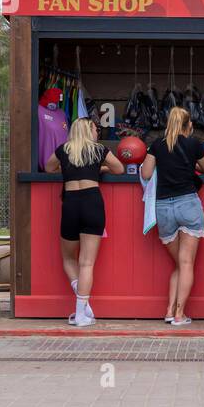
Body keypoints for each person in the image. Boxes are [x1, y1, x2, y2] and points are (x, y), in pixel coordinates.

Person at [42, 117, 123, 327]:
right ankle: (81, 312)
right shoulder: (99, 150)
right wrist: (100, 169)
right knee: (87, 263)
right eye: (96, 129)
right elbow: (120, 169)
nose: (98, 132)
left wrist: (68, 170)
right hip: (92, 203)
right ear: (89, 131)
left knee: (68, 258)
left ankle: (82, 305)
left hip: (70, 204)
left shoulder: (64, 149)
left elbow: (49, 167)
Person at [141, 106, 204, 327]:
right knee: (186, 263)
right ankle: (180, 314)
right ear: (188, 124)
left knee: (180, 264)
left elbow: (145, 173)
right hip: (187, 204)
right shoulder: (193, 144)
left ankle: (169, 311)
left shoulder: (157, 145)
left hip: (163, 207)